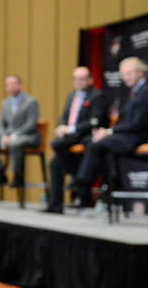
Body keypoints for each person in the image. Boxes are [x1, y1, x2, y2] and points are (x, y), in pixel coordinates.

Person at [67, 57, 148, 206]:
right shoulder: (135, 92)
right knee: (88, 141)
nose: (125, 78)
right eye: (123, 74)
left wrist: (109, 132)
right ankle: (100, 189)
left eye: (128, 73)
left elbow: (137, 124)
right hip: (126, 136)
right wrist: (107, 132)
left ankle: (83, 181)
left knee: (97, 144)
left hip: (137, 138)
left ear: (140, 73)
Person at [44, 67, 107, 213]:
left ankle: (76, 176)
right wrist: (61, 127)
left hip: (85, 136)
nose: (78, 82)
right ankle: (55, 205)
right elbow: (64, 117)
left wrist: (71, 129)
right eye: (75, 78)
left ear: (90, 79)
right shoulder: (71, 95)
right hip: (70, 137)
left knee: (56, 144)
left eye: (82, 78)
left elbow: (94, 121)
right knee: (54, 163)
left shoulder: (97, 96)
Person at [0, 75, 41, 188]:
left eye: (13, 84)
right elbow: (0, 124)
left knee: (15, 144)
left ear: (20, 85)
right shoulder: (4, 103)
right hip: (8, 137)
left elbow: (31, 124)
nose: (11, 87)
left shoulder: (30, 101)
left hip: (27, 136)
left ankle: (17, 176)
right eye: (8, 85)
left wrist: (14, 136)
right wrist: (4, 136)